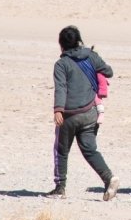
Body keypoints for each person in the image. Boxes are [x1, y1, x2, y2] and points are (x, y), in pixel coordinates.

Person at [46, 25, 120, 201]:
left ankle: (60, 188)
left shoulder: (61, 64)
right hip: (89, 112)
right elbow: (108, 71)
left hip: (69, 115)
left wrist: (58, 110)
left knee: (61, 150)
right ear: (79, 40)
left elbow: (61, 88)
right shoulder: (90, 56)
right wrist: (94, 64)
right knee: (89, 150)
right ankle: (109, 178)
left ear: (61, 44)